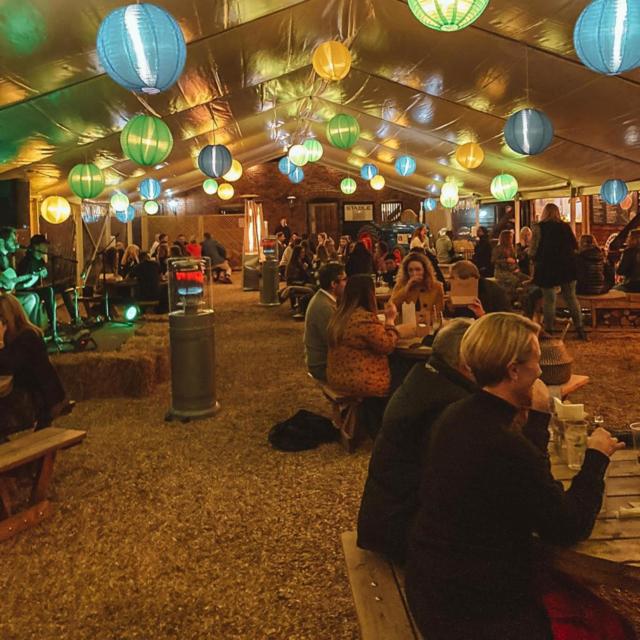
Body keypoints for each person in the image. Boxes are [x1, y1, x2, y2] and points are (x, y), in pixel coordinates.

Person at [406, 313, 625, 640]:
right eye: (536, 361)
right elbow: (568, 526)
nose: (540, 371)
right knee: (613, 630)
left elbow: (525, 480)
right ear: (513, 370)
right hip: (472, 610)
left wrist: (537, 418)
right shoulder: (503, 444)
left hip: (432, 581)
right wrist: (596, 457)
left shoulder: (457, 414)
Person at [357, 319, 476, 562]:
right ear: (466, 362)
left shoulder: (423, 377)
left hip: (384, 519)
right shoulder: (450, 403)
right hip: (404, 532)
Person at [0, 293, 74, 437]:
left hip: (41, 400)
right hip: (30, 394)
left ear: (8, 318)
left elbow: (8, 365)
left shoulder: (27, 337)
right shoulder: (15, 336)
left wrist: (0, 342)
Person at [327, 275, 400, 399]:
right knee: (404, 372)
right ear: (369, 294)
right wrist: (390, 320)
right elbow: (387, 346)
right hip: (362, 383)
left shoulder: (339, 315)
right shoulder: (363, 318)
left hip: (338, 379)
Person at [530, 203, 586, 339]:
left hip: (547, 266)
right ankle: (580, 329)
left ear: (544, 213)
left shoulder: (539, 227)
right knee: (571, 298)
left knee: (549, 300)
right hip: (567, 266)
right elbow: (575, 246)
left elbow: (533, 249)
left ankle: (549, 330)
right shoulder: (565, 227)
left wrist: (532, 258)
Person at [17, 234, 78, 330]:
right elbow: (22, 283)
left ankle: (75, 318)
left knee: (63, 286)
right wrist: (36, 276)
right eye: (44, 244)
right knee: (48, 291)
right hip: (29, 290)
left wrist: (44, 274)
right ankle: (52, 324)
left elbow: (42, 279)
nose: (46, 247)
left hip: (39, 288)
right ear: (36, 246)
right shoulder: (26, 262)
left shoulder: (41, 261)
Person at [303, 263, 347, 382]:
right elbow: (335, 341)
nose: (347, 283)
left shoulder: (324, 299)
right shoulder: (324, 306)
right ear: (333, 284)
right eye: (344, 280)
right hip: (322, 366)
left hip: (322, 361)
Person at [0, 226, 40, 323]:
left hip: (7, 294)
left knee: (34, 296)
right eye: (12, 240)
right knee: (31, 298)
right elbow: (6, 281)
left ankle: (30, 327)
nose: (16, 243)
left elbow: (12, 285)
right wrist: (5, 280)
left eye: (16, 240)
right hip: (2, 297)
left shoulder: (7, 258)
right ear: (1, 241)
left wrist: (31, 280)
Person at [390, 252, 444, 317]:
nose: (414, 273)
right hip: (406, 322)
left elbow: (439, 312)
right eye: (410, 270)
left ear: (425, 270)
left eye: (418, 270)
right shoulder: (401, 285)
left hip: (429, 322)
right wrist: (406, 287)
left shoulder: (437, 287)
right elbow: (391, 307)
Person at [614, 228, 640, 293]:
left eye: (628, 237)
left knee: (612, 290)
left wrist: (616, 264)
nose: (627, 239)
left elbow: (620, 271)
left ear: (633, 239)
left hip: (632, 284)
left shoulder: (629, 251)